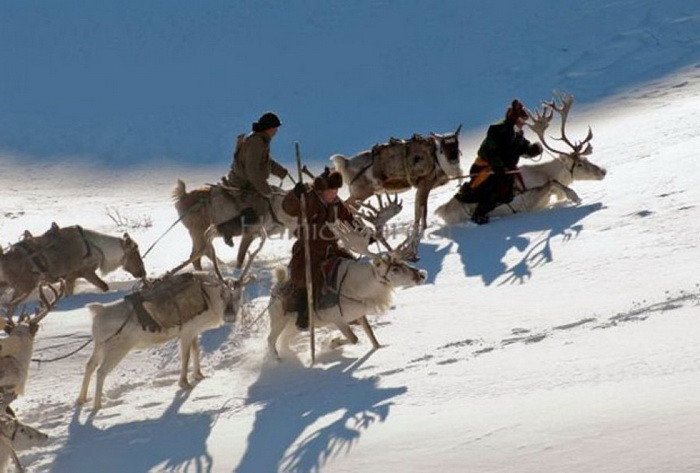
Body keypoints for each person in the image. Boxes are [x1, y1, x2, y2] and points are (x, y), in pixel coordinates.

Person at [282, 167, 356, 330]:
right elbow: (288, 207)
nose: (334, 194)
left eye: (336, 190)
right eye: (331, 191)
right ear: (322, 190)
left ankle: (350, 306)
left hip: (331, 246)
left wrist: (363, 233)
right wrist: (295, 194)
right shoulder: (307, 198)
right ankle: (304, 311)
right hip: (309, 246)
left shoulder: (336, 203)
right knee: (307, 276)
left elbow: (348, 218)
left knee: (350, 265)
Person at [458, 100, 543, 225]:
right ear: (514, 119)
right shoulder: (496, 130)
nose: (523, 124)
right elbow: (489, 151)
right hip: (487, 168)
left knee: (507, 195)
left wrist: (532, 149)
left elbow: (523, 147)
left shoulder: (518, 133)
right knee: (497, 190)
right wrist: (499, 166)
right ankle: (478, 213)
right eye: (522, 120)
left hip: (505, 169)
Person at [217, 112, 290, 245]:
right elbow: (253, 171)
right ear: (268, 128)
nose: (277, 131)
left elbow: (266, 161)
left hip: (249, 181)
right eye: (275, 127)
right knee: (260, 206)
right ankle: (228, 229)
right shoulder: (256, 143)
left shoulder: (260, 140)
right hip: (242, 183)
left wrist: (281, 171)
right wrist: (264, 190)